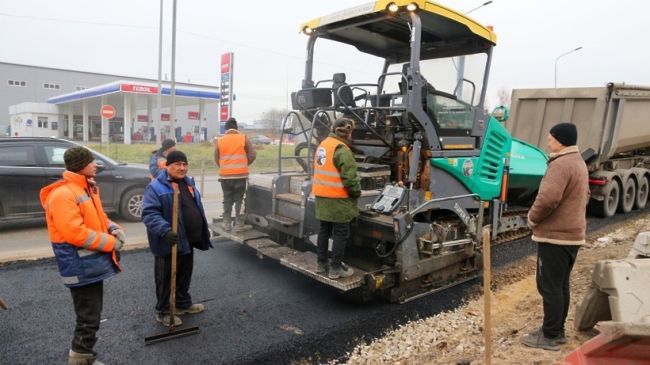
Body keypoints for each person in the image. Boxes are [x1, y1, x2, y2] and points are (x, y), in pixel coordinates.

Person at [40, 146, 125, 365]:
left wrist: (113, 227)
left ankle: (83, 356)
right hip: (80, 265)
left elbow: (98, 217)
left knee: (91, 314)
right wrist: (111, 243)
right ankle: (80, 358)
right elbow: (75, 233)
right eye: (91, 162)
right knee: (88, 317)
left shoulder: (85, 188)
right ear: (81, 166)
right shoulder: (64, 194)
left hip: (89, 263)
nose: (95, 165)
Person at [521, 122, 589, 351]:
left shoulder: (560, 164)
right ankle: (556, 331)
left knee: (549, 286)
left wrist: (532, 218)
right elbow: (585, 196)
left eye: (551, 137)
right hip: (572, 236)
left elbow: (548, 199)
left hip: (556, 237)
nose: (548, 141)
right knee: (560, 286)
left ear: (560, 140)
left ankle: (550, 336)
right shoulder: (578, 162)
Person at [142, 150, 213, 327]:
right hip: (168, 241)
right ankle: (164, 311)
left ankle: (182, 304)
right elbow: (149, 214)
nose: (182, 168)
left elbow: (194, 208)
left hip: (187, 239)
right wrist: (165, 230)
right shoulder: (156, 187)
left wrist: (202, 228)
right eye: (177, 164)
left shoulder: (188, 183)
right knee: (165, 279)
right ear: (168, 166)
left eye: (184, 164)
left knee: (184, 275)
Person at [313, 117, 361, 279]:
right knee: (340, 233)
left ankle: (321, 264)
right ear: (347, 131)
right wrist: (356, 193)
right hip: (338, 199)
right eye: (351, 131)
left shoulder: (324, 145)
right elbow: (350, 179)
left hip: (322, 197)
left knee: (324, 231)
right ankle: (335, 268)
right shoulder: (342, 149)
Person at [214, 117, 256, 231]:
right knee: (239, 199)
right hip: (240, 176)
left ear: (226, 129)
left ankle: (226, 223)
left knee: (227, 199)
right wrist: (244, 164)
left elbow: (216, 158)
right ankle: (239, 225)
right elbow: (252, 154)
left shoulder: (219, 140)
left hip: (225, 176)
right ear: (236, 128)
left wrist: (224, 168)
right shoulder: (244, 138)